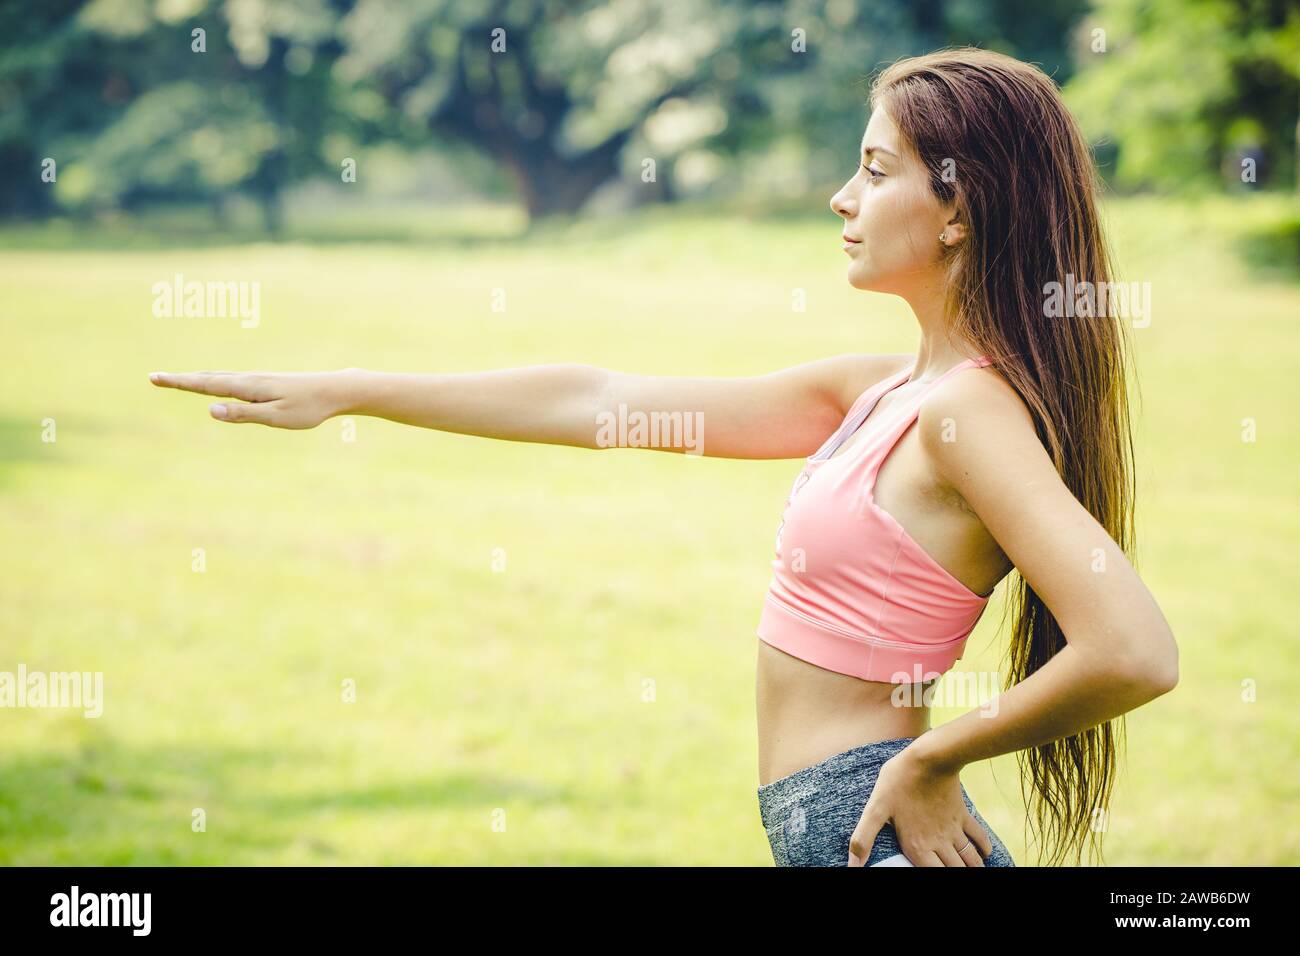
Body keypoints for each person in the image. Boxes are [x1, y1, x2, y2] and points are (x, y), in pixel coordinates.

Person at [150, 47, 1178, 867]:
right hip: (832, 821)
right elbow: (603, 401)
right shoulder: (878, 393)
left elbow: (1133, 648)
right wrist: (351, 389)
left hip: (868, 827)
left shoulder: (965, 415)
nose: (840, 197)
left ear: (958, 207)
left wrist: (936, 752)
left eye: (873, 170)